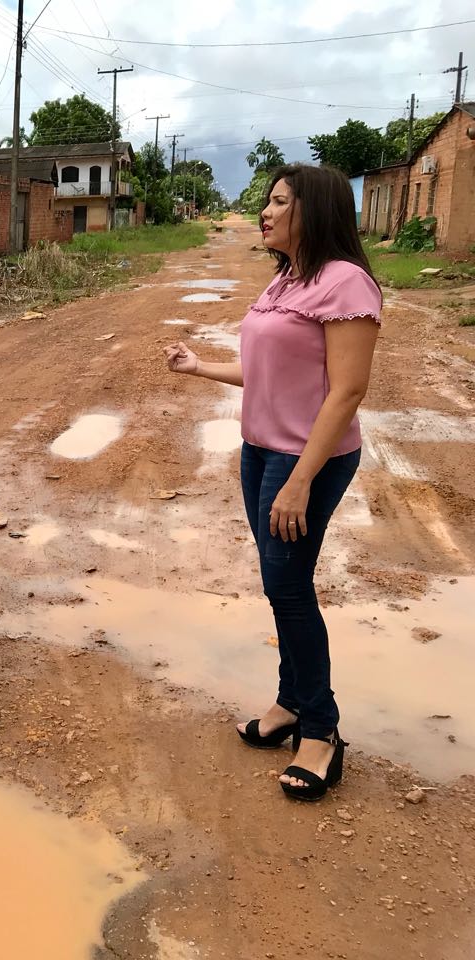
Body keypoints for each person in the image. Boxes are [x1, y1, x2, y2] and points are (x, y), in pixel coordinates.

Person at [164, 164, 380, 801]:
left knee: (288, 587)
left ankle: (321, 730)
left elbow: (348, 392)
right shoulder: (287, 280)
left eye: (279, 202)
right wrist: (199, 366)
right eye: (266, 200)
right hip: (260, 453)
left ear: (312, 211)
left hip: (304, 461)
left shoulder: (346, 283)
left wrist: (300, 481)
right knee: (279, 584)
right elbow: (265, 372)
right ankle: (290, 703)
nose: (265, 211)